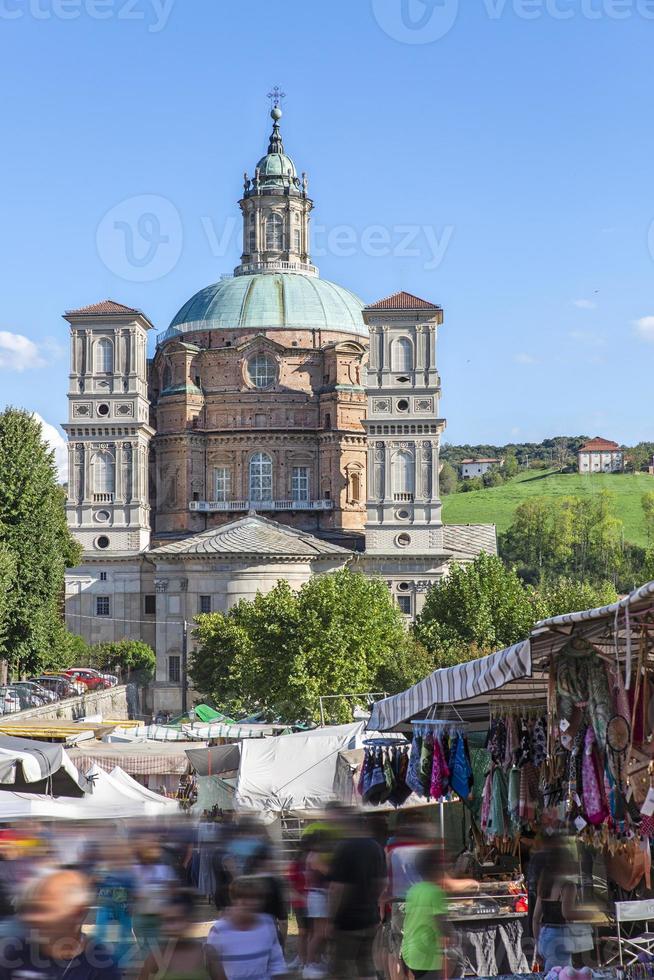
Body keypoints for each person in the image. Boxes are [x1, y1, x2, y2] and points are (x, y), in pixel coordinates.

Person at [0, 869, 121, 980]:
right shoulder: (16, 951)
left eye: (45, 910)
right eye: (33, 908)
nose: (32, 918)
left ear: (77, 913)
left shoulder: (101, 963)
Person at [327, 813, 387, 980]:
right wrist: (372, 903)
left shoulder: (343, 847)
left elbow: (337, 889)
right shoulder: (376, 847)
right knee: (367, 966)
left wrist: (331, 918)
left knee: (341, 969)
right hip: (370, 918)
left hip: (347, 921)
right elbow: (382, 883)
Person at [204, 876, 287, 980]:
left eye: (255, 898)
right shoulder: (219, 931)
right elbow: (214, 971)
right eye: (243, 897)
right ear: (234, 900)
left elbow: (277, 962)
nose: (250, 903)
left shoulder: (267, 923)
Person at [532, 835, 594, 973]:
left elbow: (536, 918)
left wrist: (537, 944)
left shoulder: (545, 882)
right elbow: (567, 913)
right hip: (560, 939)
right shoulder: (568, 886)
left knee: (558, 974)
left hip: (544, 937)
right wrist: (589, 914)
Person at [138, 888, 209, 980]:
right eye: (164, 921)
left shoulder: (205, 953)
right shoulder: (157, 956)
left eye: (173, 920)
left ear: (189, 921)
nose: (167, 927)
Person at [400, 848, 448, 980]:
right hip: (426, 955)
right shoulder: (435, 892)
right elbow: (440, 921)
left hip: (409, 952)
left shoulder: (413, 890)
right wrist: (452, 936)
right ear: (436, 870)